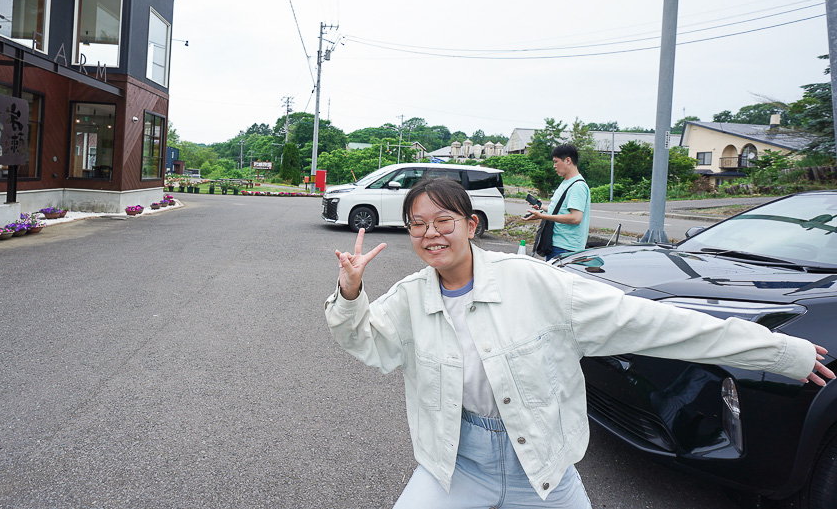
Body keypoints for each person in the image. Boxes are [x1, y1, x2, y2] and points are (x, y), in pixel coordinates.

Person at [325, 178, 833, 509]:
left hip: (541, 467)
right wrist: (351, 292)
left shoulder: (537, 283)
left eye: (443, 222)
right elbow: (369, 342)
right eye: (418, 225)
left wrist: (781, 352)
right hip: (457, 464)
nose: (431, 234)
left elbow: (659, 322)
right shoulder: (411, 296)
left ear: (471, 225)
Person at [523, 144, 590, 261]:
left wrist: (542, 216)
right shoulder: (566, 182)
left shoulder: (577, 186)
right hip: (557, 245)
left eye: (556, 162)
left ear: (568, 160)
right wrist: (541, 207)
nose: (554, 166)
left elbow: (575, 218)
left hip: (566, 248)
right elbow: (560, 210)